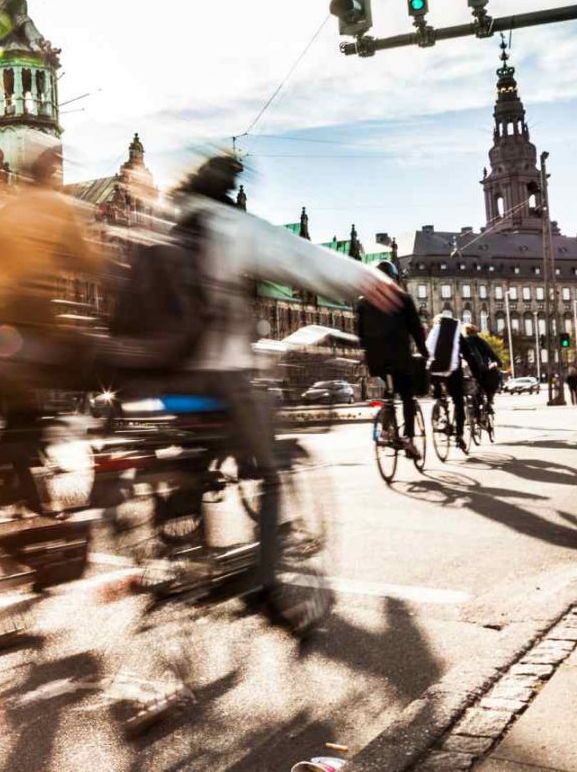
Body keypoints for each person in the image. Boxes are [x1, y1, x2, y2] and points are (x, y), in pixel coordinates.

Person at [167, 154, 401, 621]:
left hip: (166, 373)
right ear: (227, 191)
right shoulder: (225, 224)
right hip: (220, 372)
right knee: (272, 468)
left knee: (190, 459)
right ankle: (267, 584)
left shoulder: (168, 222)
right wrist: (368, 279)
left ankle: (175, 545)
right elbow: (295, 256)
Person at [0, 146, 104, 513]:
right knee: (83, 361)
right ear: (52, 176)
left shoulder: (8, 208)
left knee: (21, 404)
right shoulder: (53, 207)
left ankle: (21, 478)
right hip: (32, 317)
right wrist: (116, 274)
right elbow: (84, 257)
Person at [356, 260, 429, 459]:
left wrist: (368, 353)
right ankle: (409, 441)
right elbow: (416, 329)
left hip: (376, 362)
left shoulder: (363, 301)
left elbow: (360, 334)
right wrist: (424, 352)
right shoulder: (403, 298)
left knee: (389, 393)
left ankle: (386, 429)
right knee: (407, 396)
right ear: (394, 278)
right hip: (400, 359)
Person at [426, 310, 467, 452]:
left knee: (437, 391)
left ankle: (438, 410)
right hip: (453, 371)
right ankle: (460, 434)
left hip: (434, 372)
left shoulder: (433, 333)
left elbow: (426, 350)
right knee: (458, 402)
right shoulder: (456, 334)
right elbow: (468, 354)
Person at [461, 325, 501, 416]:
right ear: (475, 332)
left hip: (466, 373)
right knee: (491, 380)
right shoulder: (482, 342)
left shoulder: (461, 342)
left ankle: (471, 413)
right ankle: (489, 402)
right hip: (483, 372)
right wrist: (496, 363)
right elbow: (493, 356)